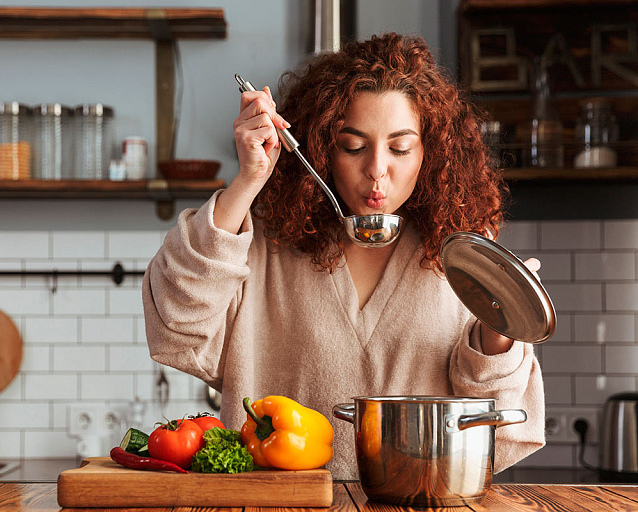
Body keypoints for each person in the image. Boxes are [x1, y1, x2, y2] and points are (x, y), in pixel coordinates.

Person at [142, 32, 544, 480]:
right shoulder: (262, 245)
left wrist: (500, 327)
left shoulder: (465, 256)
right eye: (353, 146)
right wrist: (248, 180)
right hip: (279, 507)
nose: (376, 169)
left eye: (400, 147)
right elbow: (176, 324)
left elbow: (497, 418)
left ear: (430, 153)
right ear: (321, 148)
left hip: (418, 505)